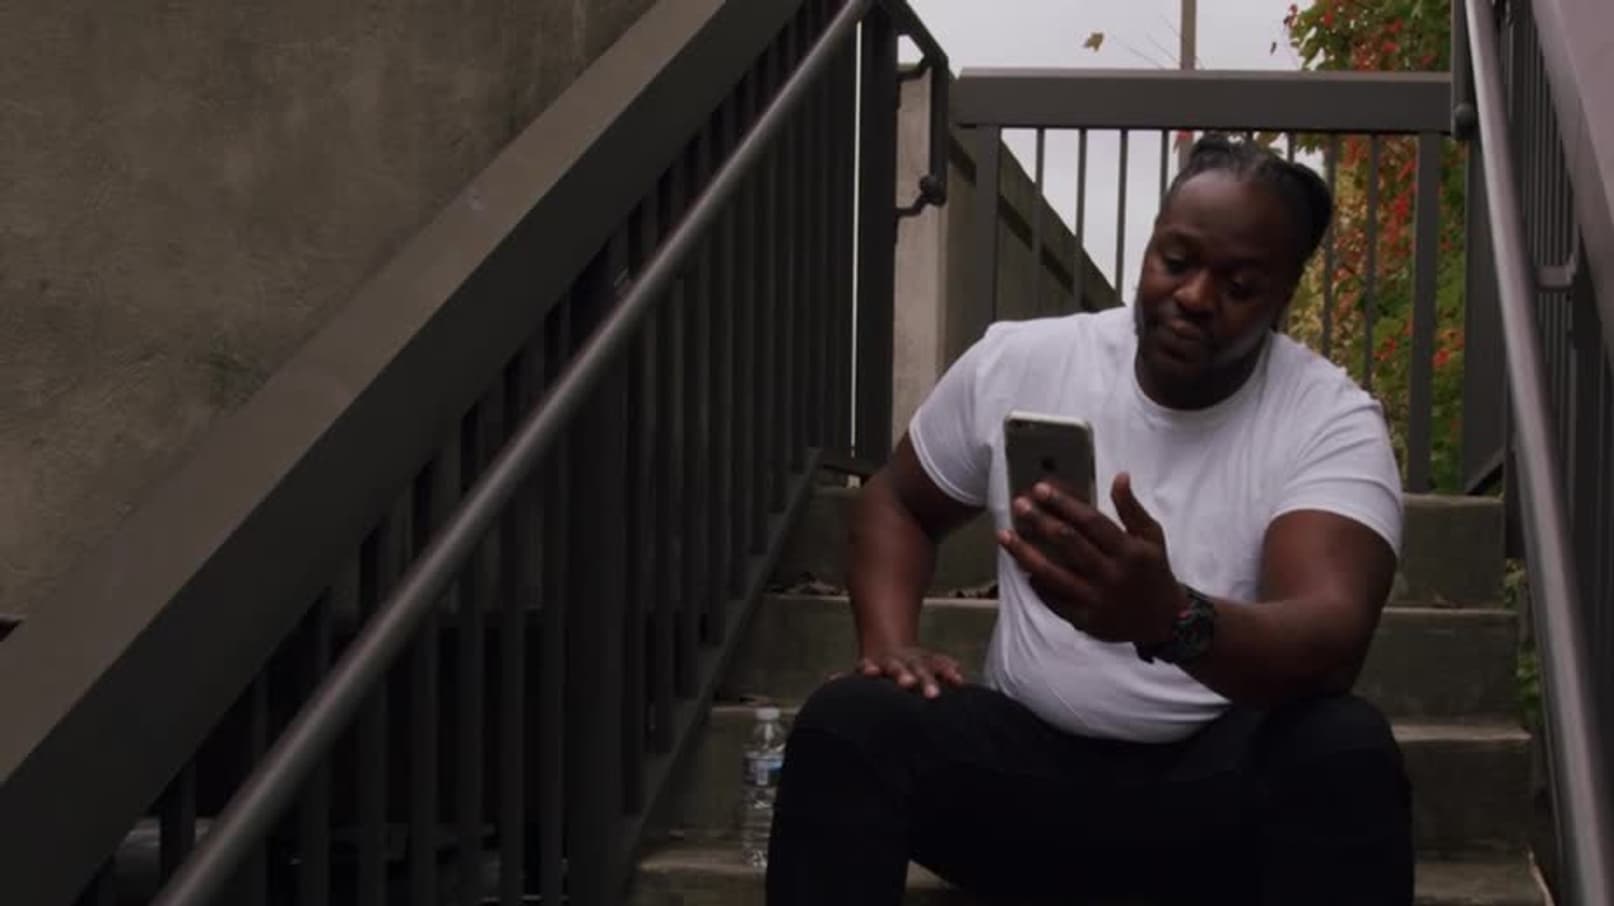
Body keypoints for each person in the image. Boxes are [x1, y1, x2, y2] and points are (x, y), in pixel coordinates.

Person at [765, 134, 1412, 905]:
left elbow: (1329, 639)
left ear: (1285, 293)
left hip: (1215, 807)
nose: (1195, 296)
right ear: (1151, 243)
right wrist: (889, 645)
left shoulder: (1328, 419)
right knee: (850, 720)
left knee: (1344, 746)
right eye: (1176, 260)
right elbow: (897, 501)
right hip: (1020, 790)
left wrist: (1173, 620)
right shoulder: (1022, 361)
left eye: (1239, 284)